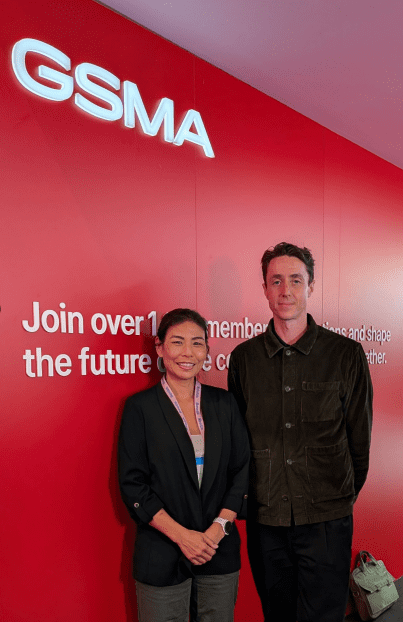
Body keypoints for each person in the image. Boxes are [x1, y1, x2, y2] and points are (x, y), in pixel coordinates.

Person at [228, 242, 373, 622]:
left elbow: (359, 442)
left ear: (310, 286)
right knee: (277, 614)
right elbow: (239, 444)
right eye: (276, 281)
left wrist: (336, 500)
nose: (286, 291)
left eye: (295, 280)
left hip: (327, 519)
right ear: (264, 288)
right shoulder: (244, 359)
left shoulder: (345, 354)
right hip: (267, 519)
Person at [119, 308, 250, 622]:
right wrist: (183, 537)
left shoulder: (224, 404)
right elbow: (133, 484)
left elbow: (242, 471)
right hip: (162, 551)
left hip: (218, 548)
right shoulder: (140, 408)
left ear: (207, 349)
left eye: (197, 343)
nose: (188, 353)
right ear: (159, 347)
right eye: (177, 342)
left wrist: (218, 530)